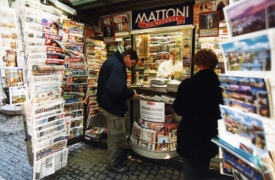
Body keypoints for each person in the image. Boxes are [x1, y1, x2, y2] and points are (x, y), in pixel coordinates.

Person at [172, 48, 224, 180]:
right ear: (213, 64)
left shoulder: (188, 84)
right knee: (203, 170)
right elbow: (221, 113)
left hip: (190, 135)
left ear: (197, 64)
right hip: (209, 134)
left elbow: (178, 109)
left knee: (190, 170)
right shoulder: (220, 86)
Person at [97, 49, 138, 173]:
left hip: (108, 104)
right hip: (112, 107)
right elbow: (117, 90)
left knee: (114, 135)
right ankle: (114, 164)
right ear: (127, 57)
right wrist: (131, 93)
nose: (131, 66)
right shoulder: (118, 66)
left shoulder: (113, 61)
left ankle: (115, 159)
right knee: (117, 136)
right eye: (131, 62)